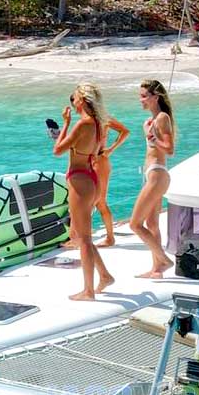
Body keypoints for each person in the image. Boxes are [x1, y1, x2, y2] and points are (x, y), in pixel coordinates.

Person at [53, 83, 115, 301]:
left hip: (80, 181)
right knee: (80, 235)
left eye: (76, 97)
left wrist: (65, 123)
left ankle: (88, 291)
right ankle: (105, 276)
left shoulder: (82, 124)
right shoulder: (99, 124)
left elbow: (57, 150)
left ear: (83, 101)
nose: (73, 100)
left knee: (85, 239)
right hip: (90, 178)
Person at [131, 79, 176, 278]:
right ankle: (157, 269)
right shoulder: (149, 122)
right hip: (152, 174)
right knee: (152, 224)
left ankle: (164, 260)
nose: (140, 100)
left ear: (155, 97)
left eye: (144, 96)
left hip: (158, 174)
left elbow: (170, 149)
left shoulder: (162, 118)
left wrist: (155, 139)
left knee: (135, 224)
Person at [92, 116, 130, 247]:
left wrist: (111, 149)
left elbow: (125, 131)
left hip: (100, 160)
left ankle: (110, 238)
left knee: (100, 202)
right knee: (88, 201)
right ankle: (79, 235)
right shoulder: (86, 120)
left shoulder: (104, 118)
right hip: (89, 162)